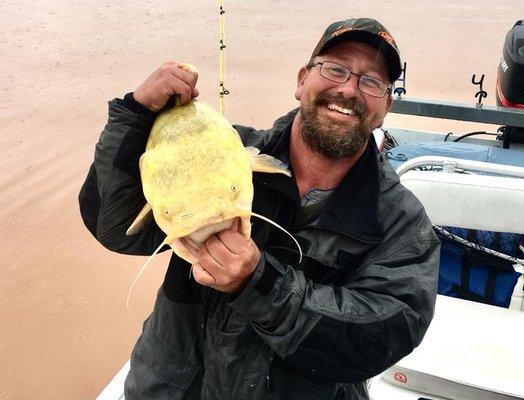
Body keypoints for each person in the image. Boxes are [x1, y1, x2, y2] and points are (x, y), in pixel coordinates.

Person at [79, 18, 440, 400]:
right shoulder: (218, 151)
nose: (348, 88)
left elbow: (378, 337)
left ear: (385, 107)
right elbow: (115, 226)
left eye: (372, 82)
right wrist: (135, 115)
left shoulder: (403, 222)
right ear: (302, 80)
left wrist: (258, 284)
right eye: (335, 69)